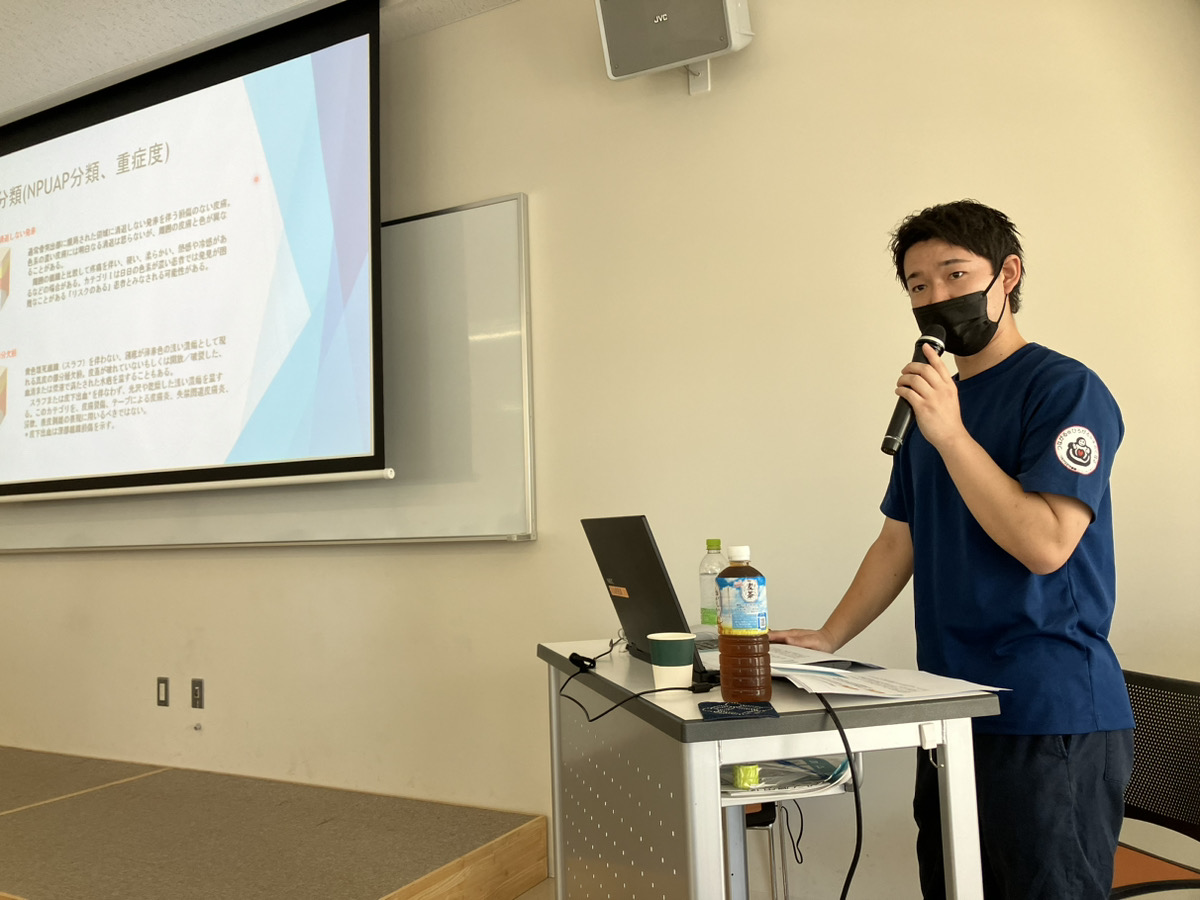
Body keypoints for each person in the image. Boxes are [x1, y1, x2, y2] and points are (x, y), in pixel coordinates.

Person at [771, 200, 1133, 900]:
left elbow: (1046, 544)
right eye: (918, 285)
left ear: (1007, 275)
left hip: (1045, 712)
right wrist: (828, 637)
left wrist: (950, 433)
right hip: (946, 707)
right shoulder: (934, 405)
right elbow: (897, 539)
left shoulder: (1064, 390)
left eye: (955, 274)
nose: (936, 297)